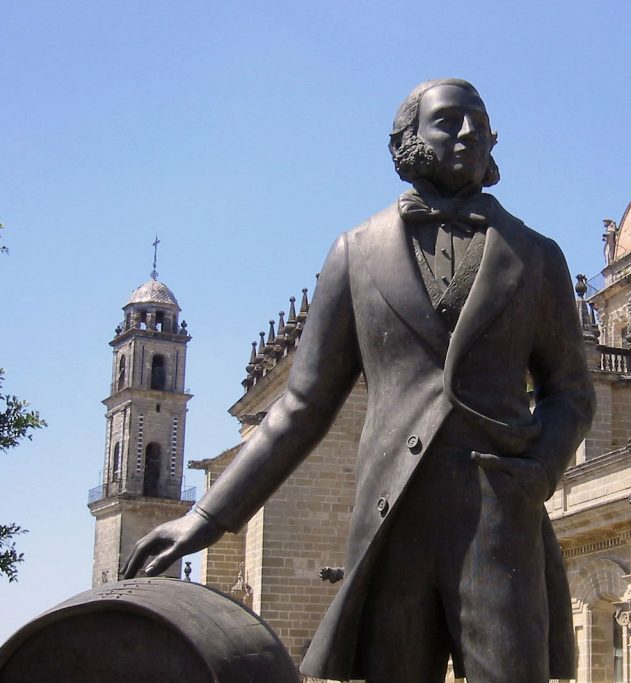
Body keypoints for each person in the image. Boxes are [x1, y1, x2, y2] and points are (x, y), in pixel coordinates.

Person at [123, 78, 596, 683]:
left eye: (480, 122)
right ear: (407, 140)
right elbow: (300, 407)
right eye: (450, 121)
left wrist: (539, 471)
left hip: (498, 519)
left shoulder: (536, 256)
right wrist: (207, 518)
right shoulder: (356, 252)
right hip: (388, 517)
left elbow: (572, 393)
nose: (471, 132)